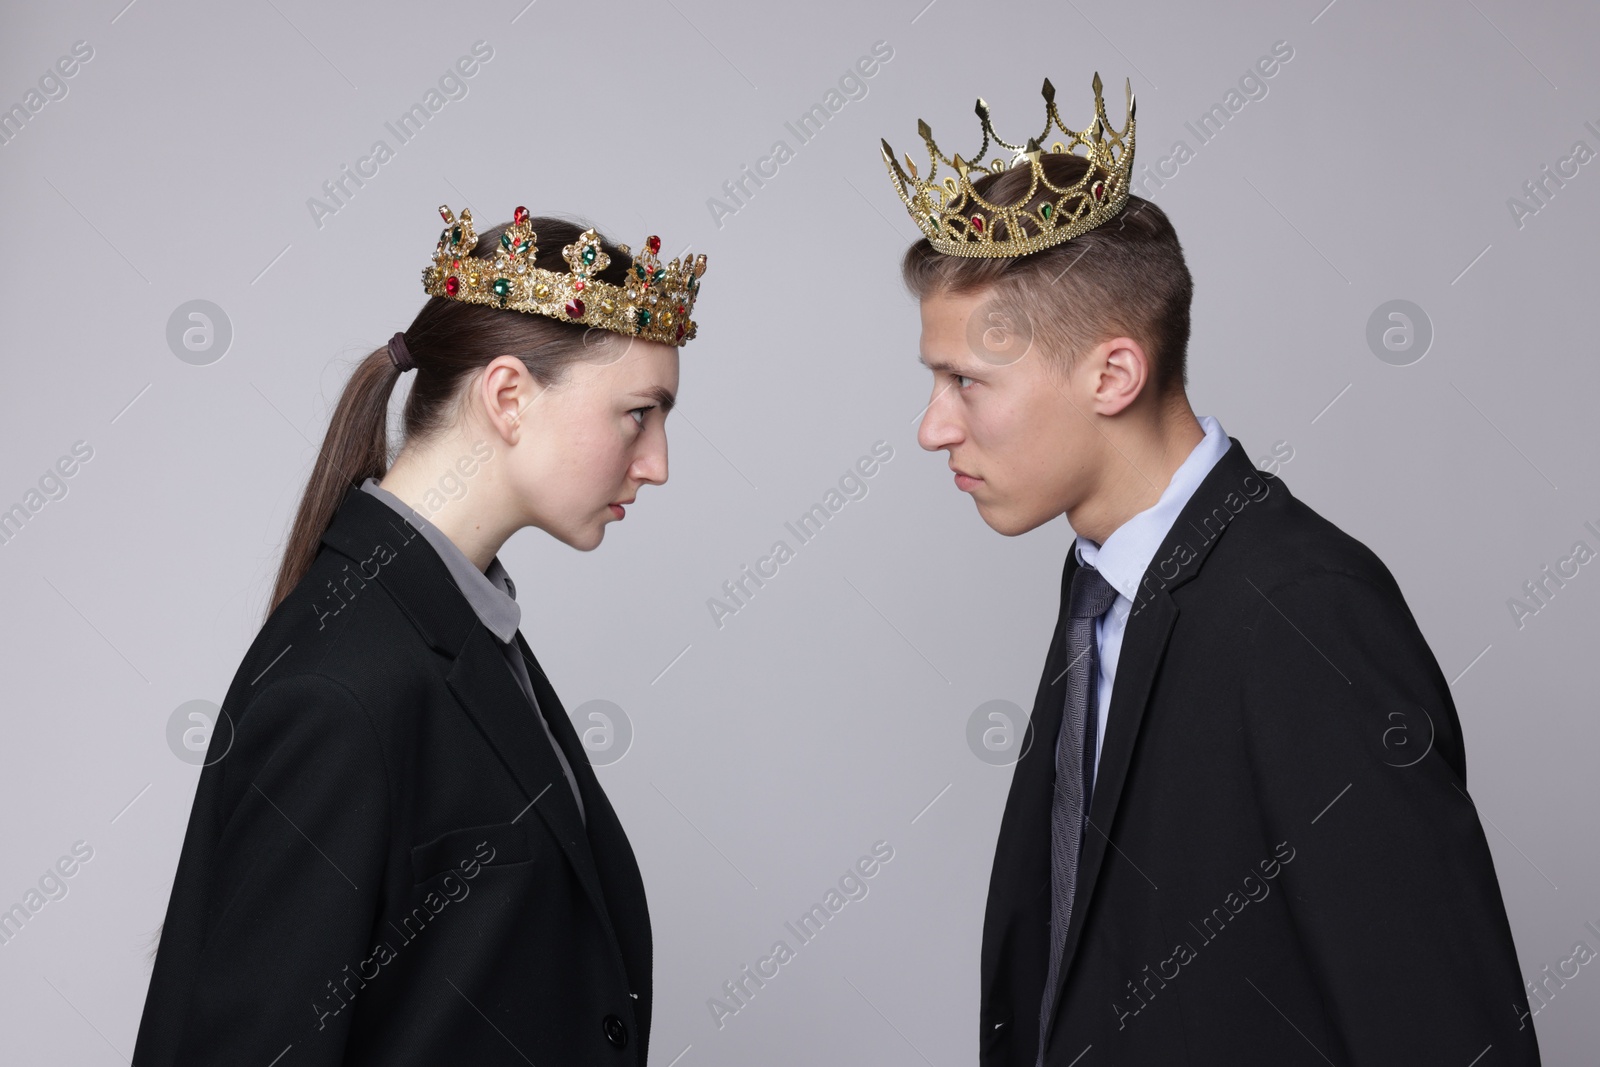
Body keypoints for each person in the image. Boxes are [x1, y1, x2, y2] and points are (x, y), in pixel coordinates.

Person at [880, 76, 1539, 1065]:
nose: (932, 427)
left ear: (1111, 374)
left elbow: (1439, 1026)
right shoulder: (1103, 581)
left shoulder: (1301, 614)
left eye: (966, 382)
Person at [132, 205, 707, 1065]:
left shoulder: (462, 625)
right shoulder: (338, 687)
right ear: (508, 396)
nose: (658, 460)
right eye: (638, 413)